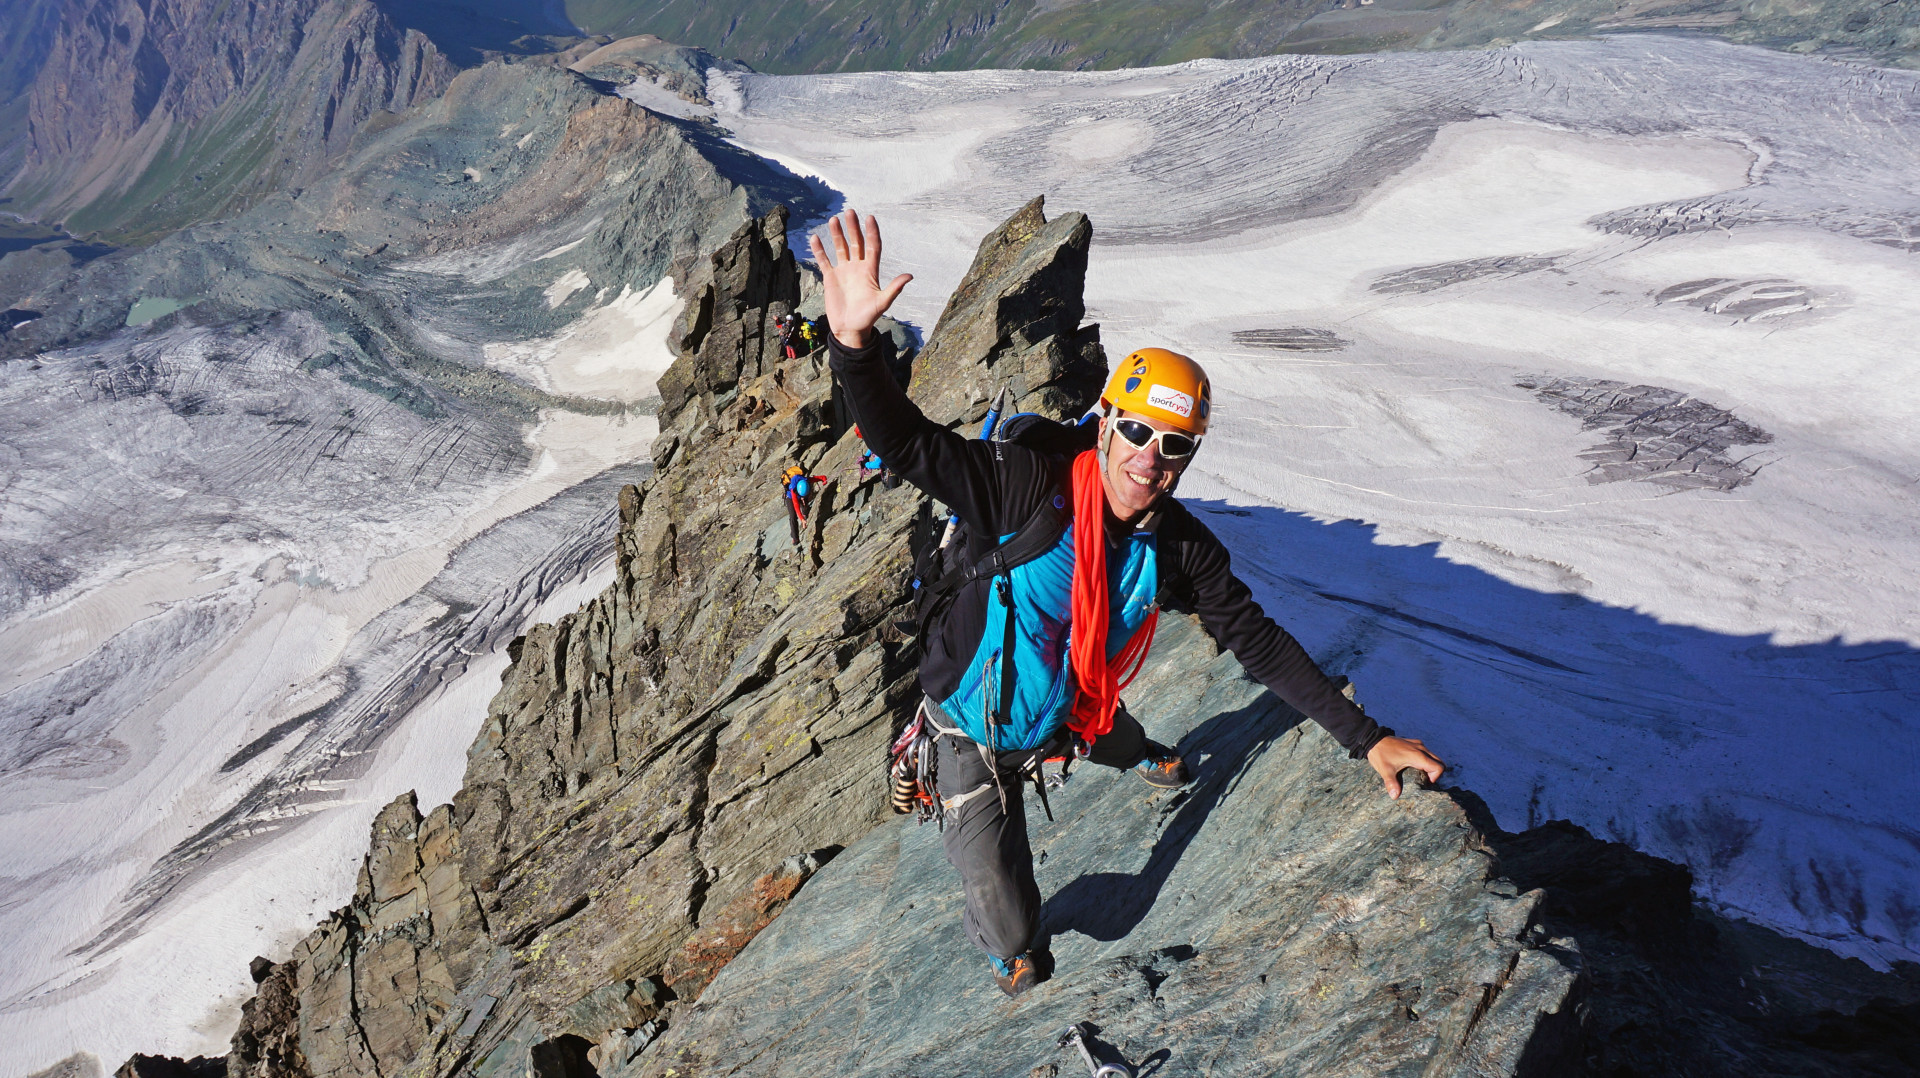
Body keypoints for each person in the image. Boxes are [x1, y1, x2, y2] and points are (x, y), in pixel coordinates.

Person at [810, 209, 1446, 999]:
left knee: (1105, 725)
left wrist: (1367, 741)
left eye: (1174, 445)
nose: (1150, 459)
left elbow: (1258, 642)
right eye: (1138, 431)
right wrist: (854, 348)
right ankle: (1006, 903)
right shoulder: (1023, 487)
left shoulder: (1177, 546)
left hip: (1071, 703)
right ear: (1104, 422)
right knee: (1014, 930)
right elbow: (907, 444)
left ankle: (1133, 749)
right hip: (970, 727)